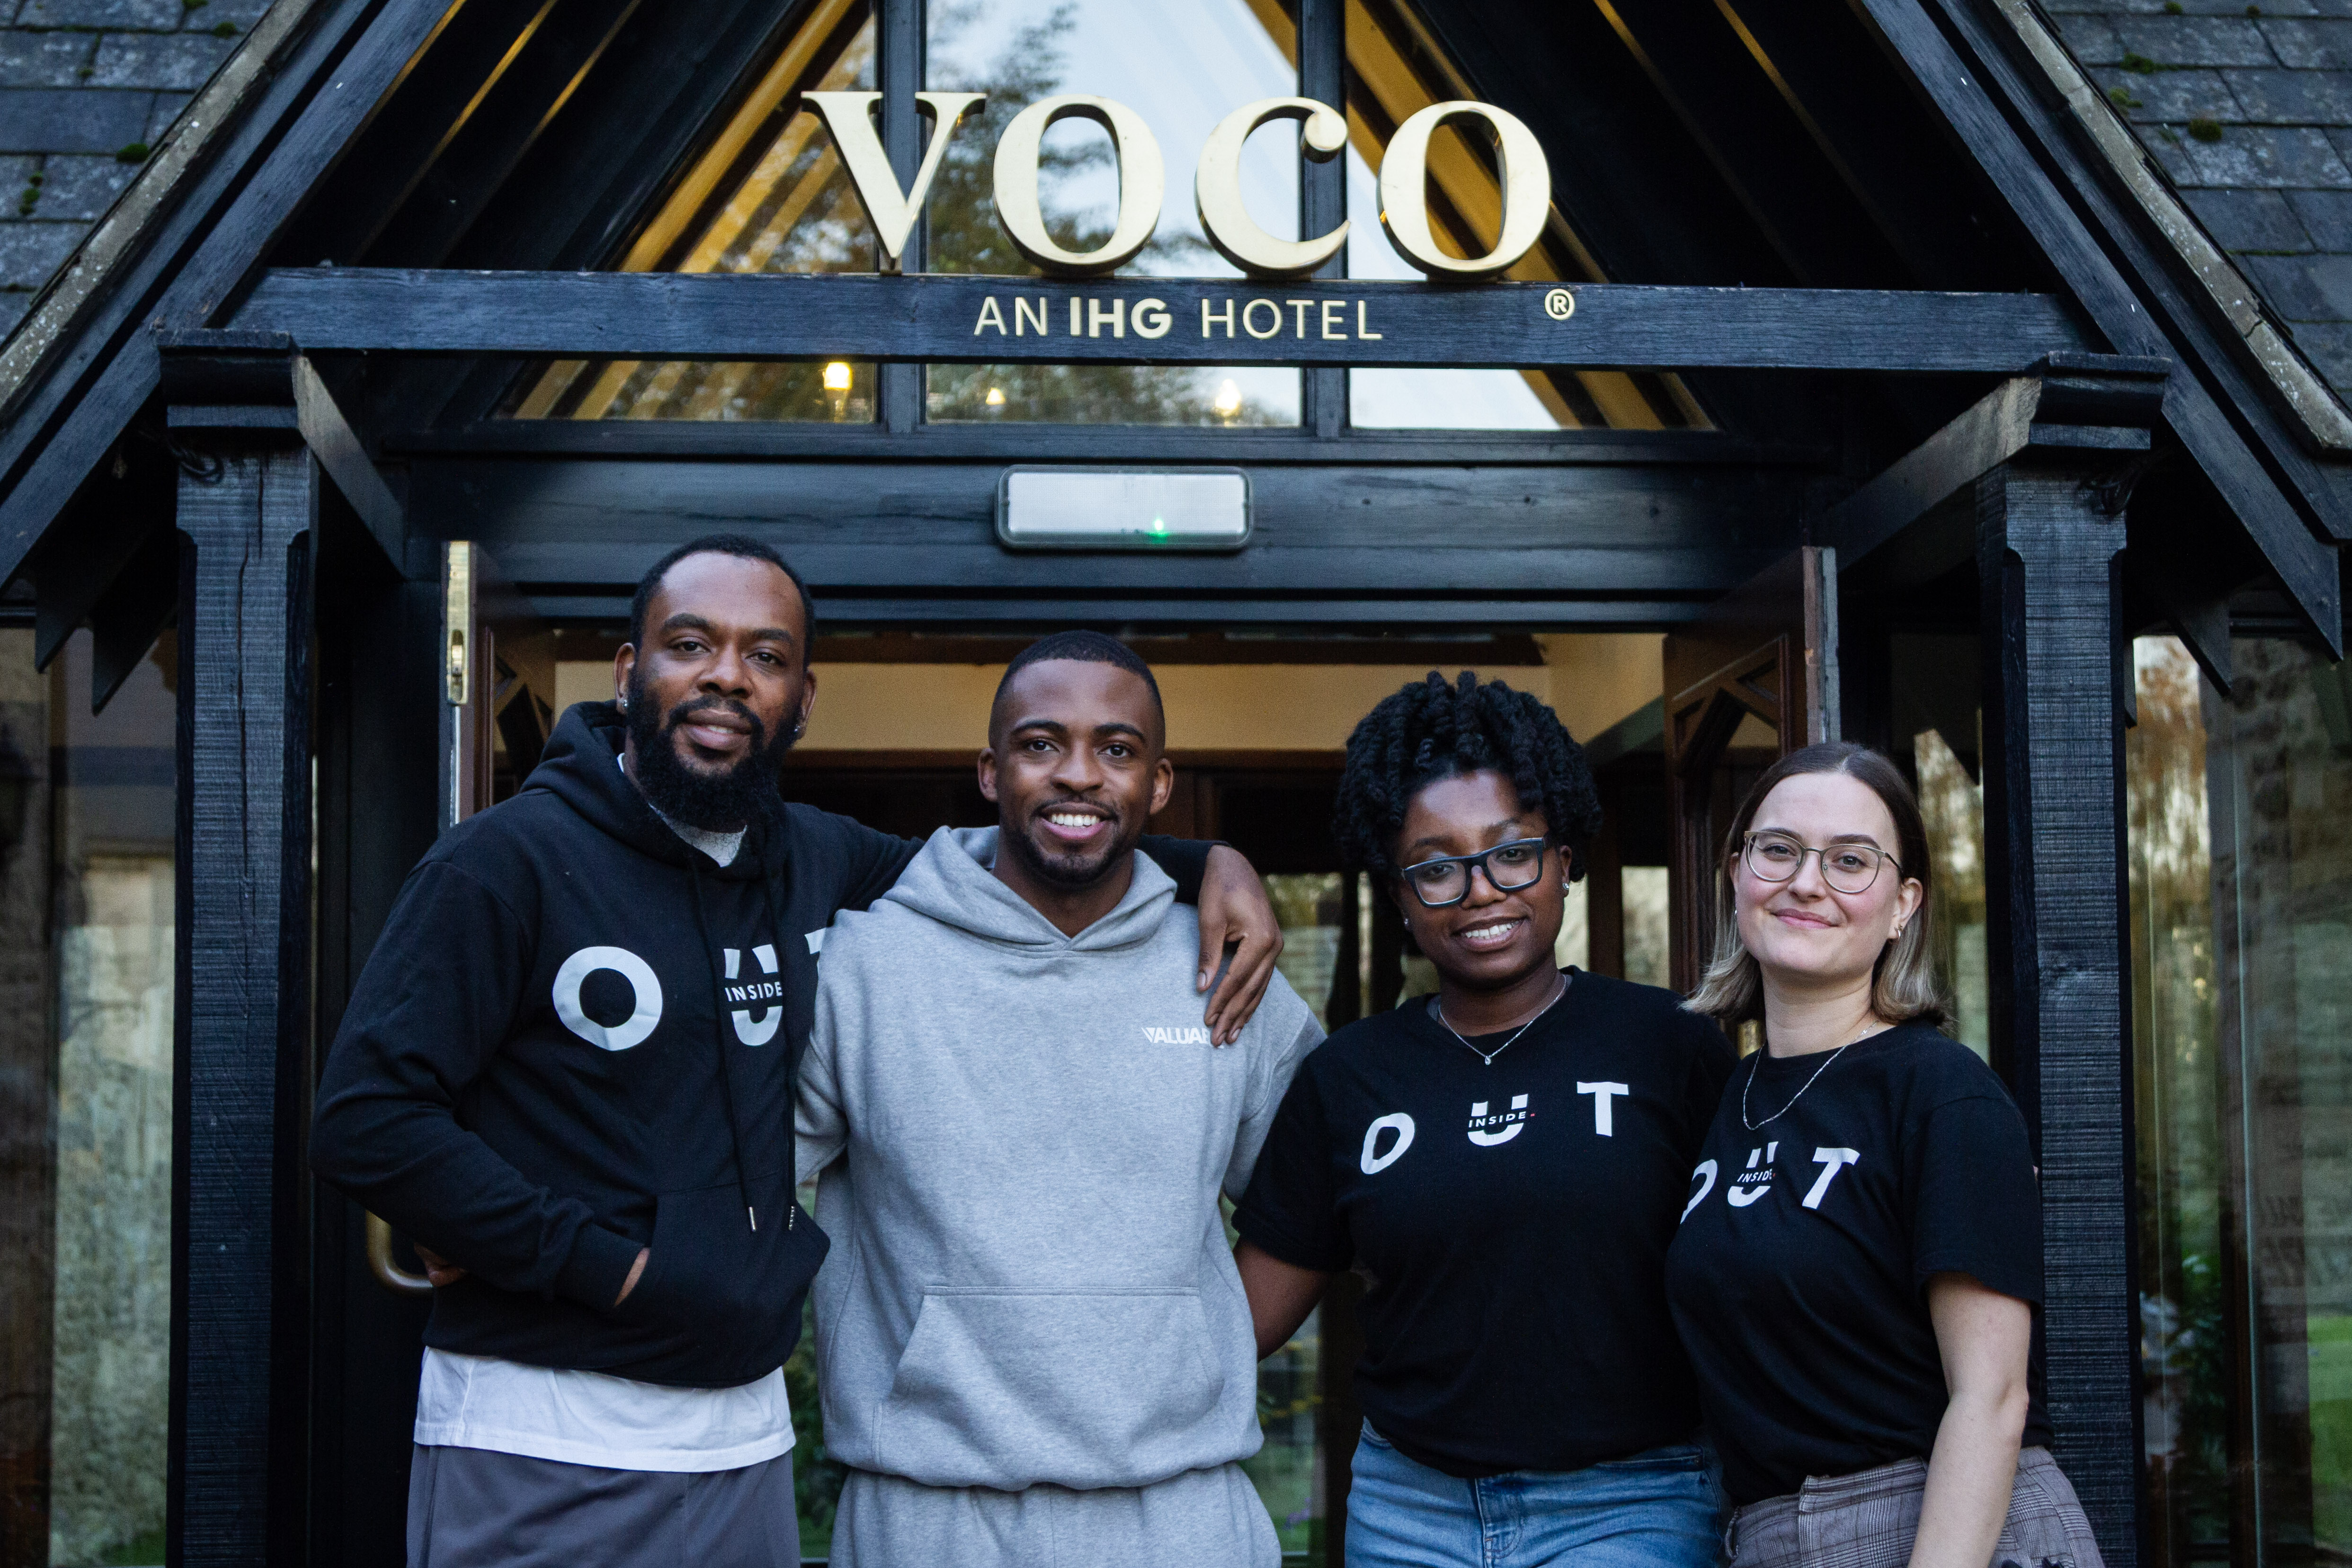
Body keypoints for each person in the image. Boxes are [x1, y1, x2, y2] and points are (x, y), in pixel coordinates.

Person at [309, 538, 1284, 1568]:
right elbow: (369, 1119)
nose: (728, 674)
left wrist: (1210, 860)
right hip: (542, 1425)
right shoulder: (502, 862)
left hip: (744, 1438)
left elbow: (1026, 855)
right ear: (628, 669)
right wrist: (604, 1266)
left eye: (766, 657)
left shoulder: (817, 859)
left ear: (803, 699)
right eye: (691, 644)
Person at [793, 631, 1324, 1568]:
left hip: (1183, 1515)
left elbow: (1321, 1200)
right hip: (928, 1515)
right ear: (992, 774)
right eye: (1042, 745)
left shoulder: (1227, 973)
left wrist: (1202, 1342)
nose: (1079, 774)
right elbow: (738, 1187)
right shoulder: (865, 967)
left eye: (1116, 750)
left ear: (1159, 784)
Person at [1231, 671, 1735, 1568]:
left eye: (1514, 853)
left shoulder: (1670, 1044)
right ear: (1398, 894)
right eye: (1435, 867)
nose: (1481, 890)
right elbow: (1239, 1323)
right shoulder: (1348, 1078)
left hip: (1632, 1500)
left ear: (1566, 860)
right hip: (1407, 1508)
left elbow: (1764, 1265)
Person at [1664, 742, 2103, 1568]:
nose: (1806, 882)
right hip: (1773, 1536)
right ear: (1736, 874)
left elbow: (1993, 1395)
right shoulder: (1734, 1100)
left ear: (1903, 905)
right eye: (1779, 850)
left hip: (1946, 1529)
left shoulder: (1942, 1092)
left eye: (1850, 861)